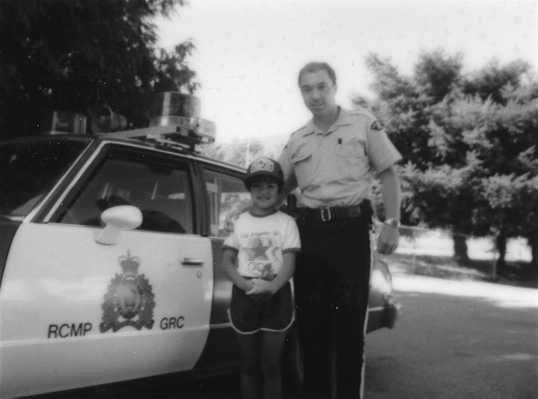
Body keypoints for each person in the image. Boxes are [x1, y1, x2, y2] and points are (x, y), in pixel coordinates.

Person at [276, 61, 402, 399]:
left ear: (334, 86)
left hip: (350, 236)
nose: (314, 95)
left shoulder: (363, 124)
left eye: (321, 87)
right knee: (312, 333)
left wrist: (392, 223)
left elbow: (388, 173)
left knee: (348, 334)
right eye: (307, 89)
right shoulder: (297, 139)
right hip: (311, 238)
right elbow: (277, 189)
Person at [221, 157, 301, 399]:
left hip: (277, 296)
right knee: (248, 364)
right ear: (249, 190)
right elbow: (226, 262)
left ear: (279, 191)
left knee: (271, 366)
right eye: (257, 186)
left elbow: (289, 262)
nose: (264, 191)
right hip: (245, 296)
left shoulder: (287, 223)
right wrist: (247, 286)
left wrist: (273, 286)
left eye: (270, 186)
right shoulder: (240, 222)